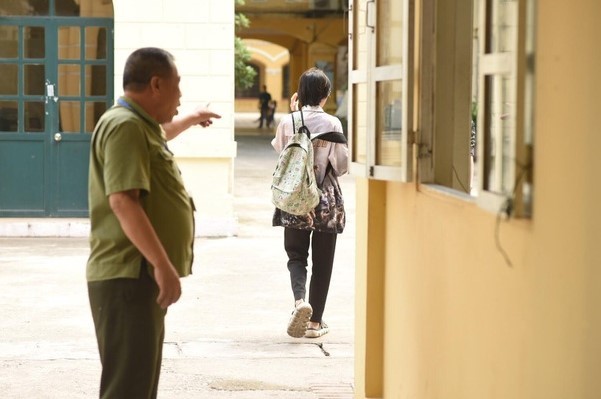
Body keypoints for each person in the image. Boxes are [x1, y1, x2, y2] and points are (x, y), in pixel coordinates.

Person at [86, 47, 220, 399]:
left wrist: (191, 118)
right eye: (178, 87)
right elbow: (122, 201)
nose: (180, 97)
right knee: (128, 388)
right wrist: (162, 266)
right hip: (129, 276)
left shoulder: (138, 125)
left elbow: (163, 132)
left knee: (139, 385)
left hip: (136, 277)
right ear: (156, 85)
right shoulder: (124, 126)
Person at [271, 68, 349, 339]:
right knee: (323, 261)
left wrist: (295, 115)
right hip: (325, 200)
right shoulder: (333, 124)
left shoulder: (287, 122)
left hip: (295, 199)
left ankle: (299, 302)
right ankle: (315, 324)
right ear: (325, 96)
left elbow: (284, 156)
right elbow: (341, 166)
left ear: (300, 94)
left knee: (296, 256)